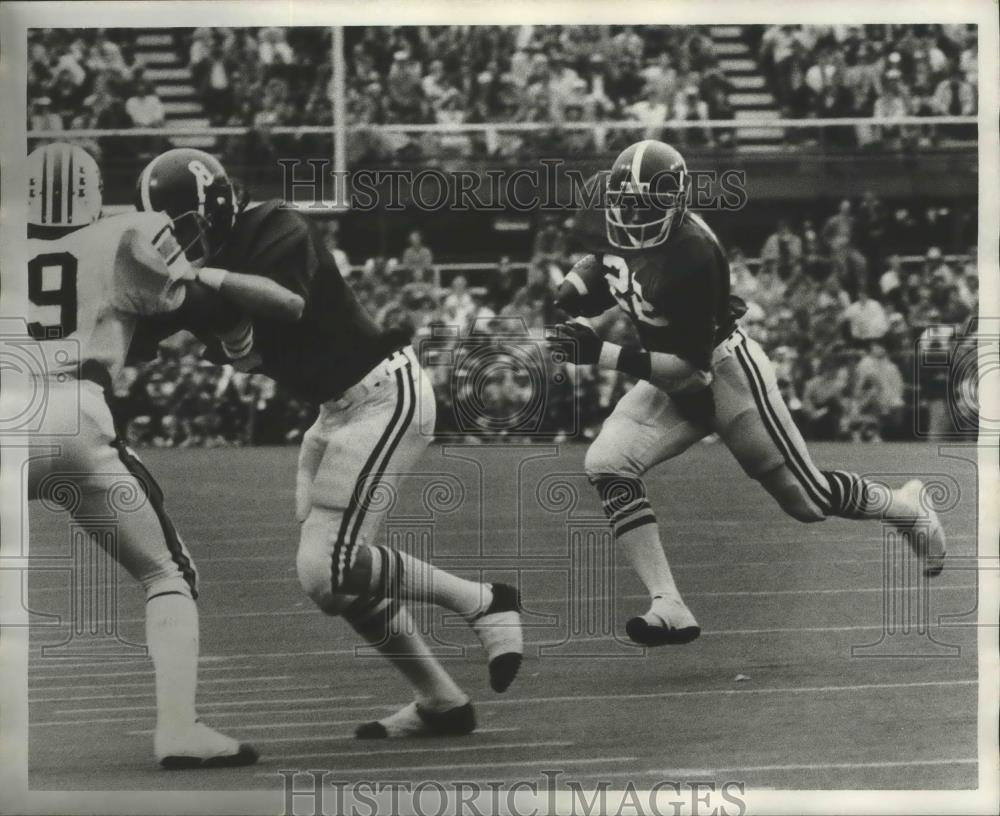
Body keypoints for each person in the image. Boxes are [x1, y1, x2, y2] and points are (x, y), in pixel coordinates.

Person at [132, 149, 523, 739]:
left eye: (181, 229)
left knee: (327, 567)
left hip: (384, 395)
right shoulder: (199, 274)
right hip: (333, 415)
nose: (176, 246)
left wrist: (201, 278)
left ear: (214, 208)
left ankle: (484, 600)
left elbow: (285, 303)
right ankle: (442, 701)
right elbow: (146, 334)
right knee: (336, 583)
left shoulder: (274, 224)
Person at [551, 139, 946, 645]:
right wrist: (578, 286)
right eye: (627, 203)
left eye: (646, 205)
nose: (633, 215)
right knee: (606, 464)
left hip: (723, 373)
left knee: (808, 502)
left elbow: (692, 376)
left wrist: (602, 352)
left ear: (675, 204)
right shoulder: (609, 211)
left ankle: (905, 505)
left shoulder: (695, 254)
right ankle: (668, 603)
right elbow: (611, 263)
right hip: (664, 373)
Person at [21, 143, 305, 769]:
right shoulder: (125, 233)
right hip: (73, 413)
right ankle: (178, 727)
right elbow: (188, 300)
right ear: (93, 194)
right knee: (166, 573)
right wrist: (234, 332)